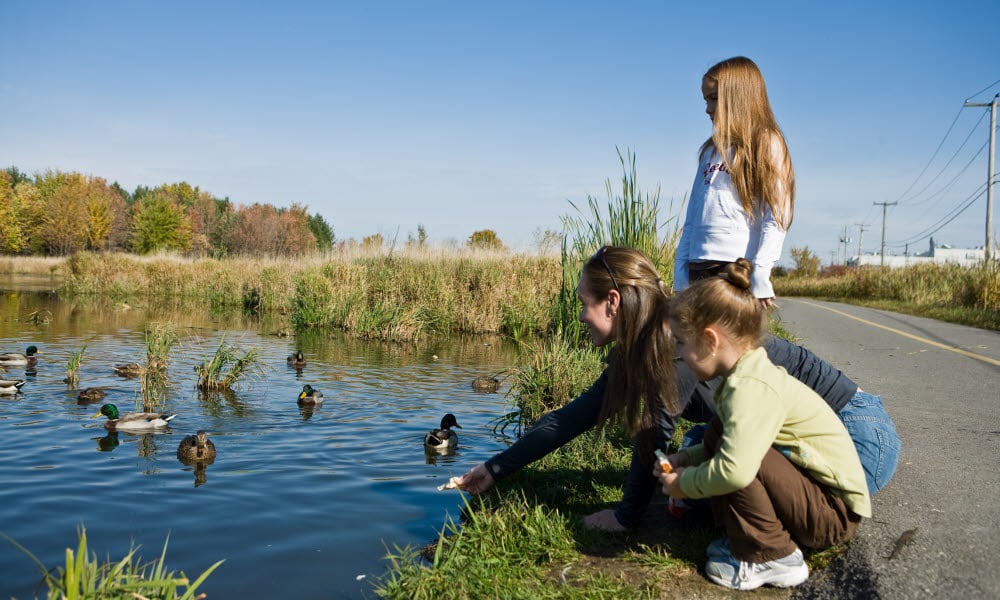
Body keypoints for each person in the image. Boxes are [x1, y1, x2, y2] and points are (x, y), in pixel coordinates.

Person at [456, 247, 900, 529]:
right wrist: (495, 469)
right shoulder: (648, 339)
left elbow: (653, 433)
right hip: (821, 432)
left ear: (612, 302)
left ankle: (765, 554)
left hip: (857, 435)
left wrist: (626, 516)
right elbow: (573, 417)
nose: (579, 316)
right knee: (692, 460)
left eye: (583, 305)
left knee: (714, 481)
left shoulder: (673, 342)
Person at [658, 258, 869, 590]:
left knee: (738, 459)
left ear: (711, 341)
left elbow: (736, 471)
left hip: (833, 515)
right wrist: (688, 459)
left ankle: (773, 556)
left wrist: (686, 484)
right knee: (721, 433)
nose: (681, 353)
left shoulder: (751, 388)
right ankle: (757, 541)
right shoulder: (744, 378)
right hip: (817, 501)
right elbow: (724, 444)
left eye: (683, 343)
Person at [673, 56, 794, 307]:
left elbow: (777, 216)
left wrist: (760, 271)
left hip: (736, 270)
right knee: (696, 345)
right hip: (699, 267)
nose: (707, 109)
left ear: (738, 98)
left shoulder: (766, 142)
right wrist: (680, 273)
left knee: (736, 345)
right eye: (706, 100)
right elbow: (693, 218)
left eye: (714, 99)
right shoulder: (709, 152)